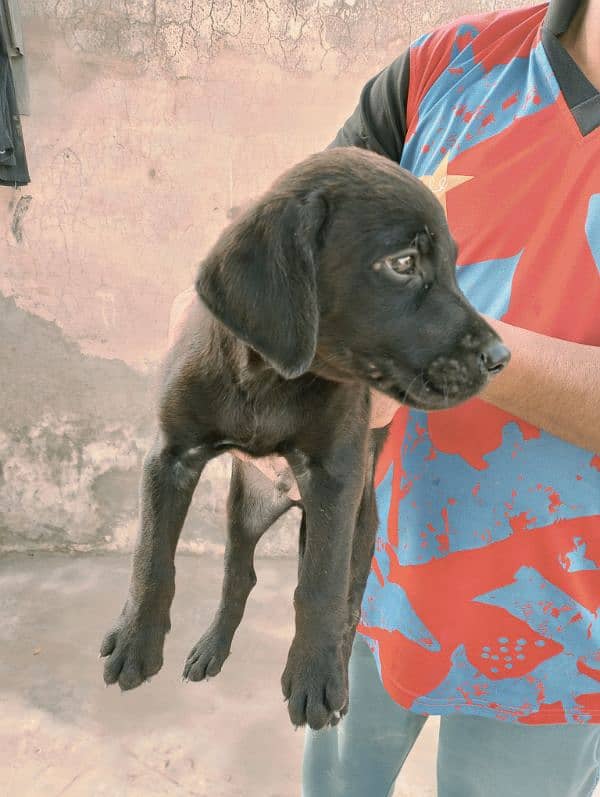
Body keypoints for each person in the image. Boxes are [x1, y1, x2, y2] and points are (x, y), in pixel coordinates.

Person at [169, 0, 600, 793]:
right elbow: (287, 259)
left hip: (559, 630)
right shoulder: (448, 64)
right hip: (362, 582)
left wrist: (448, 347)